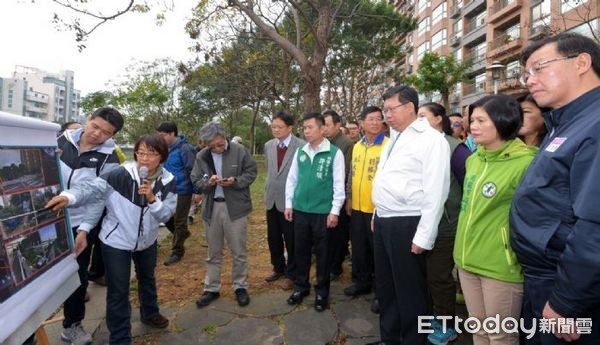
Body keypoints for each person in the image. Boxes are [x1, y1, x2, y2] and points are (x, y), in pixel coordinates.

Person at [510, 32, 600, 344]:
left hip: (568, 288)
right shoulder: (564, 123)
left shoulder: (595, 124)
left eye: (539, 68)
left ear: (582, 63)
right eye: (526, 73)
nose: (529, 80)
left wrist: (566, 302)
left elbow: (595, 226)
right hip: (543, 277)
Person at [46, 134, 176, 345]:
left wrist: (152, 198)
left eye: (152, 154)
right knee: (118, 290)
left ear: (162, 157)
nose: (144, 159)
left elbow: (166, 215)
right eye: (141, 152)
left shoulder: (169, 180)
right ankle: (120, 337)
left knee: (147, 279)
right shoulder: (118, 173)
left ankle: (150, 313)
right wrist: (69, 197)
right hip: (116, 240)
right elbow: (92, 188)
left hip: (147, 240)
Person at [370, 85, 450, 345]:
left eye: (391, 109)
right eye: (385, 110)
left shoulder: (431, 139)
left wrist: (424, 235)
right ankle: (390, 338)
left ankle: (413, 341)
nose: (387, 115)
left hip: (408, 223)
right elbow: (385, 179)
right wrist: (376, 213)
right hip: (384, 220)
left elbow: (436, 192)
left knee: (411, 291)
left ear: (410, 107)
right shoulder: (393, 137)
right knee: (386, 287)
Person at [453, 95, 536, 345]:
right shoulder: (473, 159)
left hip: (501, 266)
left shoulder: (527, 163)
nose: (472, 126)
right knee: (479, 331)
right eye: (471, 120)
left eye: (480, 120)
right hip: (467, 260)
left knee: (500, 336)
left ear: (503, 121)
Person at [55, 107, 123, 345]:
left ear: (112, 135)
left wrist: (85, 229)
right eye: (95, 126)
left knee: (77, 275)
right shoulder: (57, 141)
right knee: (36, 278)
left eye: (106, 132)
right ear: (88, 120)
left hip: (80, 224)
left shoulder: (110, 158)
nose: (97, 134)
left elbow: (99, 195)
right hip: (46, 221)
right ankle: (27, 332)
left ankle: (72, 326)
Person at [417, 102, 470, 345]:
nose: (418, 121)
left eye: (423, 116)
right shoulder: (417, 145)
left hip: (446, 222)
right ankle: (431, 316)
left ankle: (448, 325)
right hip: (420, 222)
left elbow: (469, 185)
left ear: (439, 119)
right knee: (426, 275)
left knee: (439, 276)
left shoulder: (454, 149)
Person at [191, 122, 257, 308]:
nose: (217, 149)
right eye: (212, 146)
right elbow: (195, 180)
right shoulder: (201, 156)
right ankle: (211, 288)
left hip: (235, 208)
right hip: (212, 208)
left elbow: (251, 172)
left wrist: (236, 181)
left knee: (239, 251)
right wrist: (208, 183)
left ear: (225, 136)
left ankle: (240, 286)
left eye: (220, 144)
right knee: (213, 252)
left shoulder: (239, 150)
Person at [284, 112, 345, 312]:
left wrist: (335, 211)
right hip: (301, 210)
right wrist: (289, 204)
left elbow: (338, 185)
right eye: (305, 128)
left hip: (323, 212)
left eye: (310, 127)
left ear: (322, 129)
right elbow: (292, 179)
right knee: (300, 250)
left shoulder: (334, 153)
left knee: (323, 254)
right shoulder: (301, 152)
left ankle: (322, 292)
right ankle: (301, 287)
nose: (306, 131)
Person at [343, 106, 388, 311]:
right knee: (359, 249)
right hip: (358, 207)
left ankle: (382, 293)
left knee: (378, 253)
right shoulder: (357, 146)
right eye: (370, 119)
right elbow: (351, 175)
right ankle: (362, 283)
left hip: (377, 209)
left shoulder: (388, 145)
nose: (375, 123)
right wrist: (349, 198)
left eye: (379, 119)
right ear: (362, 123)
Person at [263, 111, 305, 290]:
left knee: (292, 239)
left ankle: (292, 273)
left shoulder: (301, 146)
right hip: (271, 198)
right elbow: (270, 170)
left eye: (279, 127)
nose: (276, 130)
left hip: (290, 202)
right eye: (273, 127)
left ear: (290, 128)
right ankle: (277, 267)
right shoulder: (268, 145)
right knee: (273, 237)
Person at [157, 122, 197, 265]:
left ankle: (177, 251)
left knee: (180, 221)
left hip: (183, 190)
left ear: (172, 134)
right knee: (166, 218)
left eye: (163, 135)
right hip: (166, 191)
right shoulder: (164, 149)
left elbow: (193, 170)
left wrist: (197, 191)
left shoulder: (185, 148)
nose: (160, 138)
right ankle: (182, 234)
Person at [322, 110, 353, 280]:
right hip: (325, 196)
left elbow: (347, 173)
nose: (324, 129)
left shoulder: (346, 144)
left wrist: (346, 197)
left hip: (338, 195)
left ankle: (336, 266)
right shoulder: (325, 142)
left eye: (327, 125)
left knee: (339, 234)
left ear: (338, 125)